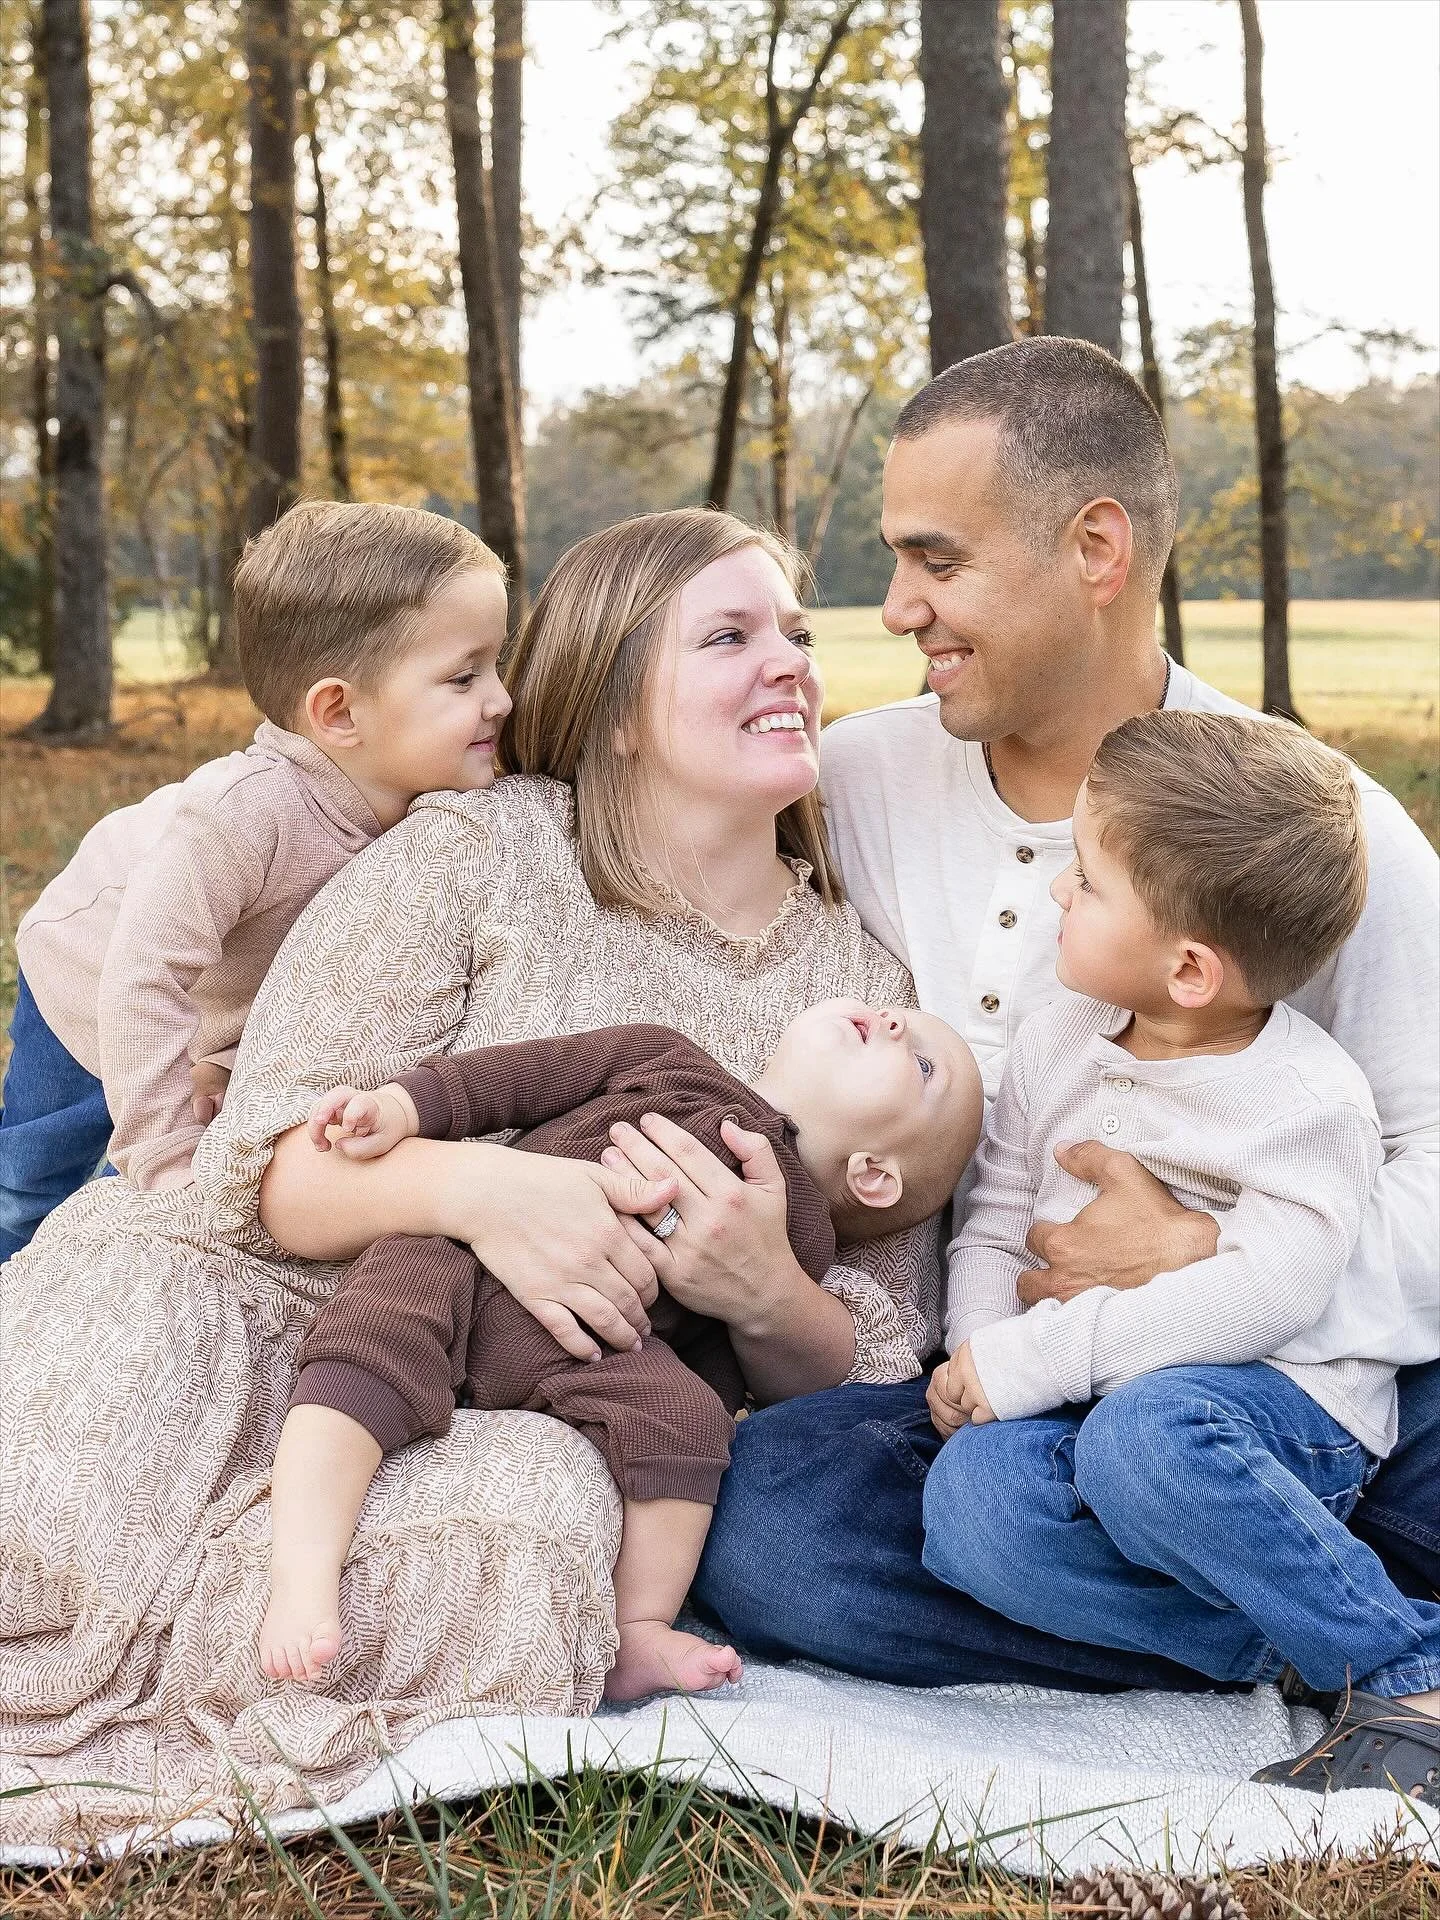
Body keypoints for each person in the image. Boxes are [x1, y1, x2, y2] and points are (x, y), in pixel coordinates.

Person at [0, 509, 949, 1849]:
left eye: (795, 632)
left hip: (519, 1398)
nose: (789, 662)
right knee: (74, 1451)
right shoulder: (481, 848)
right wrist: (488, 1194)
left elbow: (875, 1348)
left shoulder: (863, 995)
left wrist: (761, 1292)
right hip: (263, 1294)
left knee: (524, 1541)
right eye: (730, 637)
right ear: (615, 705)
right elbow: (257, 1171)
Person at [690, 340, 1440, 1783]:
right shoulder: (857, 782)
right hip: (999, 1391)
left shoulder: (1311, 830)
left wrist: (1210, 1263)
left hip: (1290, 1370)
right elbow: (608, 803)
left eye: (938, 562)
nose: (898, 607)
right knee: (772, 1525)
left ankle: (1287, 1584)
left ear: (1095, 547)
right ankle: (1335, 1629)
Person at [921, 709, 1439, 1805]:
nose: (1059, 889)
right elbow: (1001, 1206)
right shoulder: (1066, 1030)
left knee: (1143, 1441)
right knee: (974, 1508)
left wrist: (1043, 1362)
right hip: (1075, 1384)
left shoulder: (1303, 1102)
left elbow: (1270, 1297)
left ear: (1191, 968)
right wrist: (981, 1352)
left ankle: (1413, 1671)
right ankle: (1315, 1639)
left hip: (1271, 1409)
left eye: (1091, 878)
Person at [261, 1000, 981, 1695]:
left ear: (874, 1176)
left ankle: (635, 1627)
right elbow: (521, 1077)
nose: (893, 1019)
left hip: (594, 1347)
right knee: (371, 1342)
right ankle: (302, 1570)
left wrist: (697, 1403)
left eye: (922, 1063)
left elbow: (719, 1358)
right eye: (898, 1017)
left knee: (691, 1418)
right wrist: (401, 1108)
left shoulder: (796, 1241)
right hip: (457, 1253)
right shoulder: (666, 1058)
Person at [0, 501, 510, 1256]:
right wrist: (169, 1166)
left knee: (156, 1168)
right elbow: (143, 979)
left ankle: (99, 1282)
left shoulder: (432, 805)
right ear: (338, 713)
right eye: (464, 677)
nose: (500, 698)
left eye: (499, 663)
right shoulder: (246, 815)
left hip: (210, 1007)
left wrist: (228, 1062)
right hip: (89, 978)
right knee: (34, 1185)